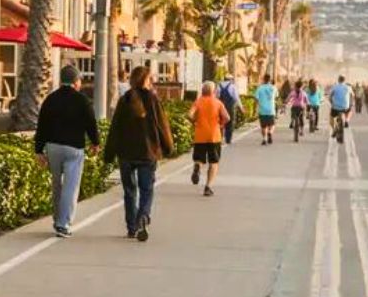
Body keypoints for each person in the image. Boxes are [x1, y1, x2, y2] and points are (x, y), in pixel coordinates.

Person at [103, 66, 174, 242]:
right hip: (147, 153)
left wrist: (109, 154)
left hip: (126, 154)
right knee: (146, 189)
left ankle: (131, 227)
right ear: (146, 80)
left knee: (129, 191)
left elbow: (115, 129)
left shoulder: (125, 99)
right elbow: (162, 125)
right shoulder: (153, 99)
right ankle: (143, 216)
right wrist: (168, 147)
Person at [34, 65, 100, 238]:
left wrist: (38, 150)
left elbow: (42, 125)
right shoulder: (82, 100)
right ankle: (63, 224)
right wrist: (95, 143)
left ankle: (57, 219)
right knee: (70, 186)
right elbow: (91, 123)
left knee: (57, 184)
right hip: (74, 148)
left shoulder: (51, 99)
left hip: (53, 147)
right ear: (76, 81)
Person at [189, 81, 230, 197]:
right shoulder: (218, 103)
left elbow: (189, 114)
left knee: (199, 158)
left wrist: (194, 122)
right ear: (214, 91)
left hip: (200, 135)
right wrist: (220, 124)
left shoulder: (198, 102)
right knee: (214, 162)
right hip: (214, 135)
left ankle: (197, 167)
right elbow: (227, 117)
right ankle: (208, 187)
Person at [216, 74, 243, 145]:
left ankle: (220, 138)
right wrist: (241, 107)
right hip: (230, 107)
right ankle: (228, 139)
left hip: (220, 106)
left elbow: (216, 96)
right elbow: (236, 98)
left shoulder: (219, 86)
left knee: (220, 122)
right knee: (230, 122)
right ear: (231, 79)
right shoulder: (232, 86)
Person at [329, 76, 354, 143]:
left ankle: (334, 129)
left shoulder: (334, 87)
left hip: (335, 107)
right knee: (350, 111)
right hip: (345, 107)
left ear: (338, 80)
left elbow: (330, 96)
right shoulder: (348, 87)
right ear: (344, 80)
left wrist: (331, 103)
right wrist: (350, 103)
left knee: (331, 118)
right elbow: (352, 96)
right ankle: (347, 120)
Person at [255, 74, 278, 145]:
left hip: (262, 110)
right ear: (270, 80)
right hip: (271, 110)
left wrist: (257, 106)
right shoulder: (274, 88)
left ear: (264, 79)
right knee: (272, 124)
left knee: (263, 126)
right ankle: (270, 132)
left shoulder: (260, 88)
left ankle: (264, 139)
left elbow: (256, 98)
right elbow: (276, 96)